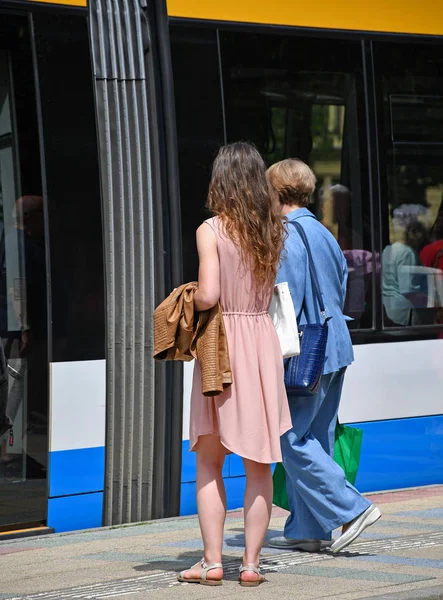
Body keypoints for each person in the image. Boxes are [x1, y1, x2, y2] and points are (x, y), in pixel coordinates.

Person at [177, 142, 292, 586]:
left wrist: (183, 297)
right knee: (259, 466)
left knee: (209, 460)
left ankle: (210, 562)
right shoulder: (272, 230)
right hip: (260, 344)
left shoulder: (211, 230)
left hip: (221, 345)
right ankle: (250, 564)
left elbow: (207, 295)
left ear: (219, 179)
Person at [266, 158, 381, 554]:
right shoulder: (324, 233)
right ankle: (307, 530)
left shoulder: (285, 234)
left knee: (291, 439)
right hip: (335, 344)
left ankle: (352, 508)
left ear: (275, 192)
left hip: (306, 351)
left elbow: (284, 297)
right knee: (319, 436)